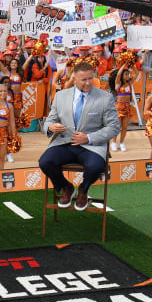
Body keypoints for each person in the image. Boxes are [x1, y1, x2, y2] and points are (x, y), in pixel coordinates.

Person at [38, 62, 120, 211]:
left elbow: (114, 127)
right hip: (64, 142)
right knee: (45, 162)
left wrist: (89, 138)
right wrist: (51, 127)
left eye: (91, 78)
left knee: (95, 166)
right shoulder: (61, 96)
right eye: (84, 80)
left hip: (91, 146)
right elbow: (49, 121)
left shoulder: (105, 97)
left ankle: (83, 189)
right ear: (74, 78)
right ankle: (66, 187)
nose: (88, 82)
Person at [110, 65, 135, 152]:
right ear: (122, 76)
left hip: (127, 106)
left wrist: (133, 64)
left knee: (124, 127)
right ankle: (113, 142)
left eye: (128, 74)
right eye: (126, 74)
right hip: (119, 106)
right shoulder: (118, 84)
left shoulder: (129, 83)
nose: (128, 76)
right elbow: (118, 75)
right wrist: (124, 64)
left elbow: (137, 73)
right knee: (117, 126)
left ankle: (121, 143)